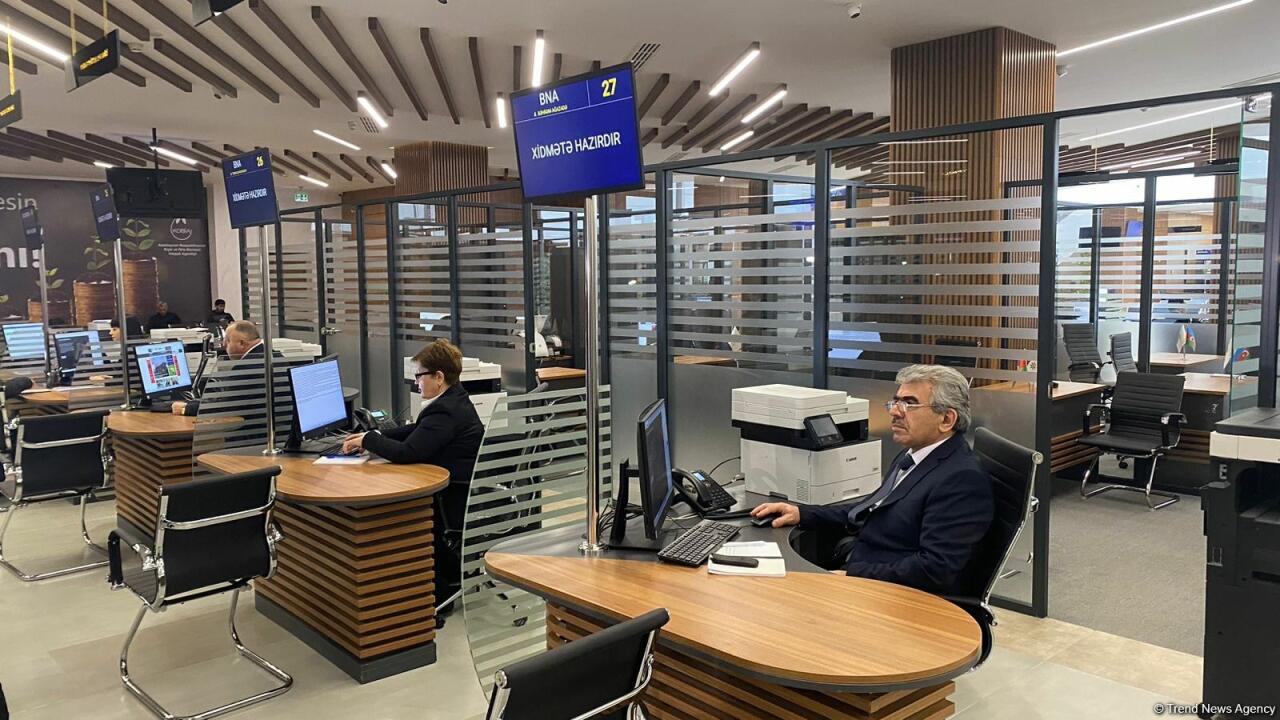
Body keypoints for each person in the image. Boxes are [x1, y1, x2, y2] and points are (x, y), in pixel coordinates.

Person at [752, 364, 994, 596]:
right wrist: (802, 513)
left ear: (946, 419)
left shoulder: (961, 480)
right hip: (865, 566)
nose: (894, 412)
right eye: (896, 402)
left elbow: (934, 569)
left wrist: (854, 576)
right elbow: (872, 508)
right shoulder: (915, 454)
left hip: (893, 596)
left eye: (909, 404)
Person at [342, 339, 484, 618]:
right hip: (460, 489)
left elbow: (408, 452)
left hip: (450, 499)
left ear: (438, 377)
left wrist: (369, 440)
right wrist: (372, 436)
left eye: (419, 376)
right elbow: (418, 431)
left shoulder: (445, 411)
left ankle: (435, 590)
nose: (416, 383)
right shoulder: (454, 399)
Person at [172, 321, 267, 416]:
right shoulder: (269, 355)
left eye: (228, 340)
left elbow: (225, 406)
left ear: (241, 343)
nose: (223, 344)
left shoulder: (247, 366)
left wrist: (186, 408)